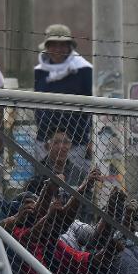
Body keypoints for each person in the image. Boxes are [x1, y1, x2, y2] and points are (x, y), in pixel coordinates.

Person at [34, 24, 93, 170]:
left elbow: (94, 106)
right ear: (47, 47)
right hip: (44, 143)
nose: (58, 49)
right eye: (53, 45)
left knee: (75, 181)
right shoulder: (40, 72)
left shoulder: (84, 70)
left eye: (62, 45)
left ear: (69, 47)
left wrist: (92, 139)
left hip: (77, 143)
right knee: (44, 183)